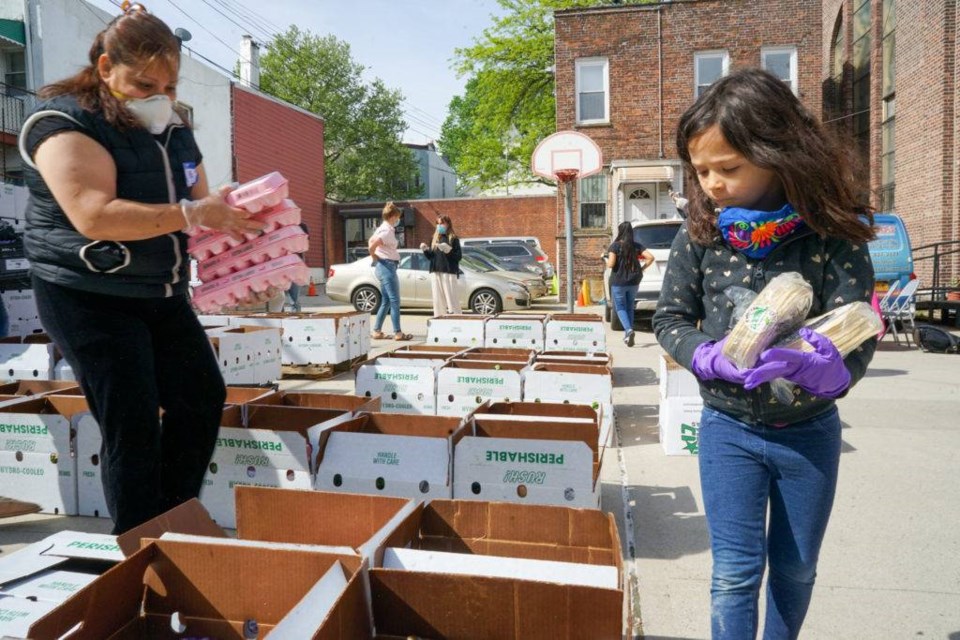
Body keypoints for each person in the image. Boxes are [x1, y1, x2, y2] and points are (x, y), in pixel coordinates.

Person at [18, 5, 265, 533]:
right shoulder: (64, 123)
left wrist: (234, 235)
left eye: (171, 85)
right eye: (144, 83)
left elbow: (198, 202)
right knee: (131, 419)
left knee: (201, 397)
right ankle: (137, 541)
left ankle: (170, 520)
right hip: (86, 293)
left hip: (159, 289)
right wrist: (193, 212)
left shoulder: (176, 129)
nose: (160, 96)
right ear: (106, 68)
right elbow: (92, 213)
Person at [652, 68, 877, 639]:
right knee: (733, 572)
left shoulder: (831, 235)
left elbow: (861, 329)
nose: (712, 185)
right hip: (729, 429)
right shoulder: (700, 235)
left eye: (728, 168)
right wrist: (705, 356)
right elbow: (670, 319)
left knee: (797, 568)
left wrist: (831, 369)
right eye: (701, 171)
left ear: (779, 153)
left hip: (807, 432)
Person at [606, 220, 654, 346]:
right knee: (629, 307)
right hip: (634, 280)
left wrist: (605, 259)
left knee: (620, 307)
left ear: (620, 231)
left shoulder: (615, 246)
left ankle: (628, 330)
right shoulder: (636, 246)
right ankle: (628, 335)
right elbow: (650, 257)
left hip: (619, 281)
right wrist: (641, 268)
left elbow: (611, 264)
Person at [368, 201, 412, 340]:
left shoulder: (381, 228)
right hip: (387, 266)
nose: (398, 220)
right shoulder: (386, 231)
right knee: (394, 300)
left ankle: (376, 331)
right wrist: (375, 256)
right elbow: (371, 246)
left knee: (386, 301)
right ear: (393, 217)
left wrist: (376, 257)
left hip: (384, 266)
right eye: (397, 217)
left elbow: (370, 241)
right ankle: (398, 332)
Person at [419, 214, 462, 316]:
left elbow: (458, 257)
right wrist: (425, 250)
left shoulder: (453, 238)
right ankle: (439, 317)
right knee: (438, 299)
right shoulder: (434, 238)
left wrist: (448, 250)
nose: (439, 226)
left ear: (448, 224)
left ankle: (456, 317)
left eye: (442, 223)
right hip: (436, 271)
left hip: (449, 271)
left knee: (451, 298)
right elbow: (431, 257)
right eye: (438, 223)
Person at [285, 221, 309, 313]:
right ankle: (280, 317)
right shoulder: (279, 225)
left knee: (294, 297)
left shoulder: (301, 226)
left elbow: (305, 243)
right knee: (280, 298)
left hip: (295, 265)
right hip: (280, 266)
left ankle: (296, 317)